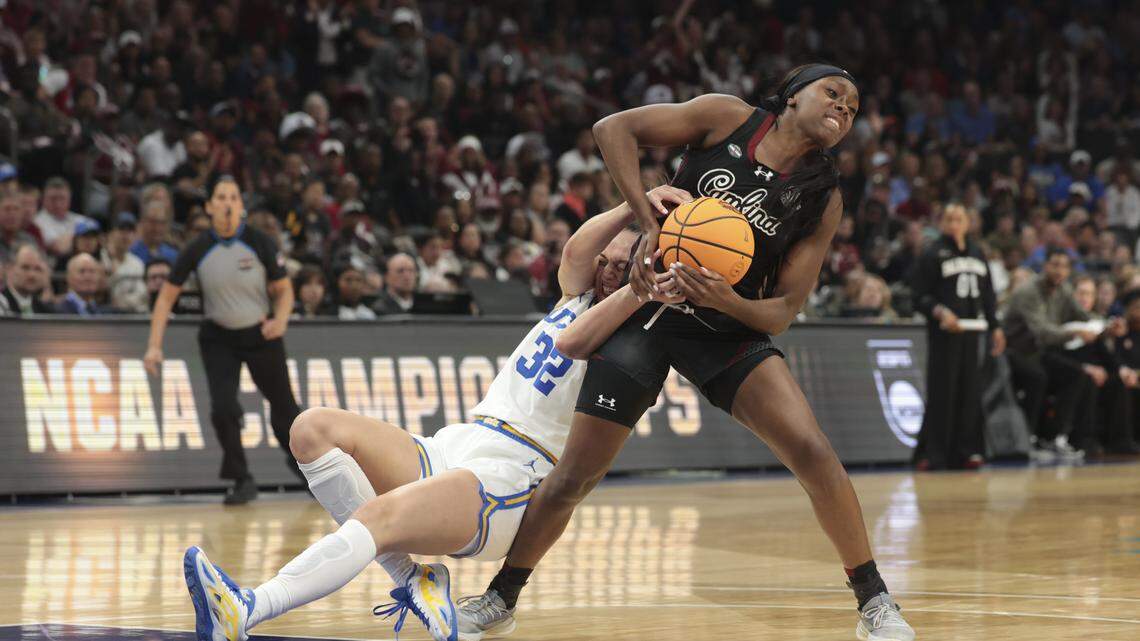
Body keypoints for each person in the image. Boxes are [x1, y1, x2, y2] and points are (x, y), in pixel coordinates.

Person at [459, 64, 915, 641]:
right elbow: (612, 129)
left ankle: (873, 599)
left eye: (852, 109)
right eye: (834, 94)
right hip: (644, 307)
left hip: (724, 325)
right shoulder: (726, 117)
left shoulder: (822, 197)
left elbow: (783, 310)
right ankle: (501, 598)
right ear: (794, 95)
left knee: (812, 451)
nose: (844, 110)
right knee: (576, 473)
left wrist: (729, 299)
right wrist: (648, 219)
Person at [181, 185, 689, 641]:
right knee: (312, 429)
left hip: (509, 478)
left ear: (646, 275)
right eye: (609, 260)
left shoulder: (637, 335)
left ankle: (248, 608)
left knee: (378, 517)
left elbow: (575, 341)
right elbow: (577, 250)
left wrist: (640, 285)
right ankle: (414, 582)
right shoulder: (580, 291)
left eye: (623, 266)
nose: (607, 269)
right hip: (460, 442)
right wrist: (633, 204)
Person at [144, 175, 302, 505]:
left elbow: (284, 290)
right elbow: (165, 300)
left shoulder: (260, 242)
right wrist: (154, 347)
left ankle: (303, 465)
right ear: (209, 206)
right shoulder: (197, 248)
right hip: (218, 338)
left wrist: (281, 321)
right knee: (223, 408)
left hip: (260, 334)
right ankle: (241, 478)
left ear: (241, 206)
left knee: (286, 409)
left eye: (233, 197)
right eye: (221, 197)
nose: (228, 202)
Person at [910, 203, 1005, 470]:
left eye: (959, 218)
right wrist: (939, 311)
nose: (954, 223)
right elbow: (918, 296)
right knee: (943, 391)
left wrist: (995, 326)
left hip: (973, 332)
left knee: (970, 391)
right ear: (942, 222)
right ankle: (932, 453)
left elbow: (988, 295)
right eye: (949, 218)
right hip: (944, 333)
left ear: (968, 222)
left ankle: (969, 451)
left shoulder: (978, 252)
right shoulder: (932, 253)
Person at [1002, 249, 1099, 460]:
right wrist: (1075, 332)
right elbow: (1042, 332)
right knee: (1037, 378)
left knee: (1076, 374)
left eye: (1064, 266)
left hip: (1039, 353)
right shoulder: (1029, 291)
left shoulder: (1063, 290)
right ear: (1045, 266)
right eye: (1055, 265)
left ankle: (1053, 437)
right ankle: (1028, 439)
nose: (1059, 271)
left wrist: (1107, 326)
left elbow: (1084, 316)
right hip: (1013, 352)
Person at [0, 243, 53, 315]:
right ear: (10, 269)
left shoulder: (44, 310)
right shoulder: (2, 304)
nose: (32, 275)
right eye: (25, 267)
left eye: (37, 269)